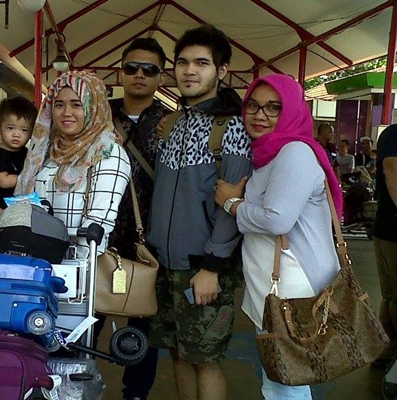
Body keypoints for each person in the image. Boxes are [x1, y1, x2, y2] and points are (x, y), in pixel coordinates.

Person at [214, 74, 342, 400]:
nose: (260, 115)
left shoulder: (294, 153)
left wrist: (231, 203)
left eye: (274, 107)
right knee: (281, 380)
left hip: (291, 291)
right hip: (276, 287)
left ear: (292, 111)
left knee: (286, 384)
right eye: (253, 106)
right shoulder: (269, 153)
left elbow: (277, 219)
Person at [146, 25, 252, 400]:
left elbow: (232, 208)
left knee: (206, 359)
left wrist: (212, 267)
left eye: (202, 63)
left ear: (222, 70)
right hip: (164, 263)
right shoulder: (173, 123)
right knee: (177, 352)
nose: (190, 70)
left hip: (203, 267)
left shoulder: (233, 126)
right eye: (183, 62)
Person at [107, 37, 170, 400]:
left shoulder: (172, 122)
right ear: (121, 72)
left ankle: (136, 394)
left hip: (151, 238)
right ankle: (75, 384)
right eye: (132, 67)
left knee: (144, 324)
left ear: (162, 77)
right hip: (99, 235)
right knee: (87, 315)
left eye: (149, 69)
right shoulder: (97, 115)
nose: (139, 75)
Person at [15, 70, 131, 258]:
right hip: (35, 260)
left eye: (76, 104)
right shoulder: (45, 150)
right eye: (59, 105)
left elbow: (97, 226)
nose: (66, 113)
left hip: (77, 266)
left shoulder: (107, 153)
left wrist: (73, 270)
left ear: (94, 107)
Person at [370, 124, 397, 369]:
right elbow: (391, 169)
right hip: (392, 230)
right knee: (394, 294)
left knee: (392, 295)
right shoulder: (393, 135)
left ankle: (385, 351)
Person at [0, 96, 38, 211]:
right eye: (10, 128)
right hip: (0, 205)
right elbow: (4, 181)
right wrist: (34, 178)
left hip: (22, 203)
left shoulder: (27, 153)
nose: (16, 134)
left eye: (24, 130)